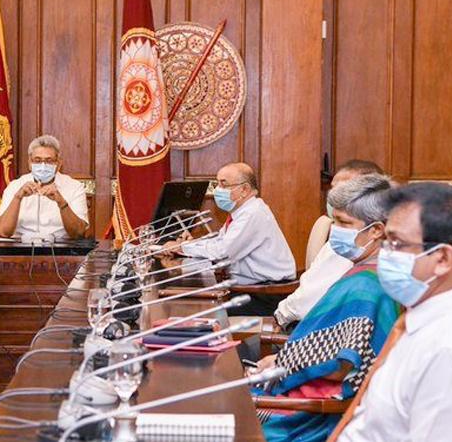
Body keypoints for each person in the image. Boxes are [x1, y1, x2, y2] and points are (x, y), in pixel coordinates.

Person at [252, 174, 401, 442]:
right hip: (301, 394)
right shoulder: (367, 271)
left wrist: (282, 365)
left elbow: (342, 365)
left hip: (307, 417)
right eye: (335, 221)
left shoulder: (368, 287)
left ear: (377, 230)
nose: (335, 230)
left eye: (344, 223)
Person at [330, 183, 452, 441]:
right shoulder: (423, 319)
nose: (384, 254)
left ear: (442, 259)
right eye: (386, 241)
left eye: (396, 244)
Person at [164, 162, 296, 316]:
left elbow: (223, 252)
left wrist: (182, 248)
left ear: (244, 189)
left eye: (224, 184)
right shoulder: (243, 212)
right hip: (252, 288)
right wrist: (190, 244)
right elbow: (220, 241)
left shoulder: (253, 214)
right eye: (217, 184)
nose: (218, 190)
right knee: (192, 304)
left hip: (267, 294)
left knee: (202, 312)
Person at [275, 160, 385, 329]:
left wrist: (279, 318)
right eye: (333, 190)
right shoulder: (342, 236)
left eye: (344, 191)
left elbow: (309, 304)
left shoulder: (357, 245)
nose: (334, 197)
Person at [0, 135, 88, 240]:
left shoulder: (74, 187)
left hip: (61, 249)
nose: (43, 165)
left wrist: (61, 202)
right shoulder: (15, 186)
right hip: (20, 249)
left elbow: (79, 233)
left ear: (58, 164)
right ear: (30, 163)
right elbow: (3, 231)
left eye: (49, 161)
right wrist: (17, 198)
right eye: (37, 160)